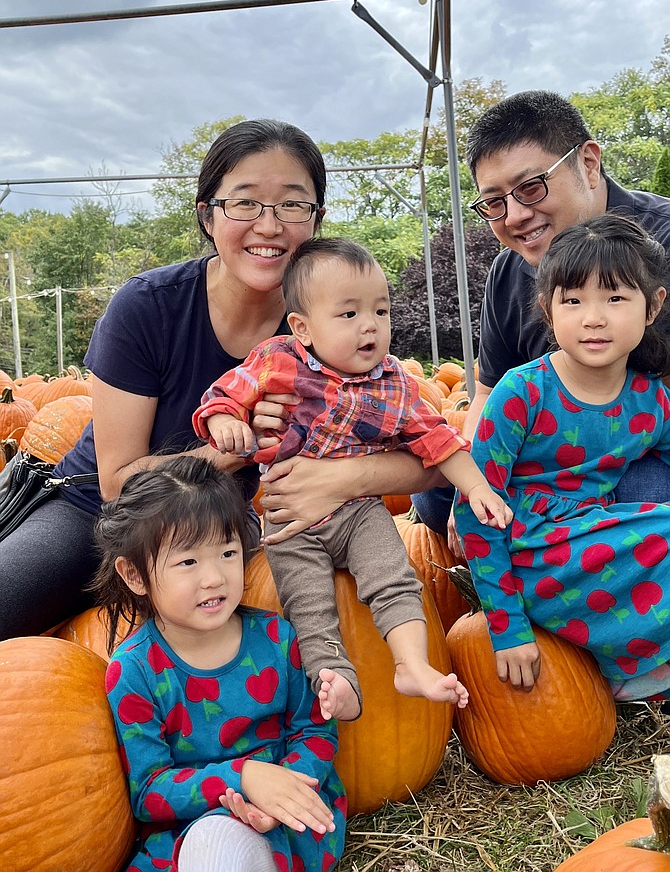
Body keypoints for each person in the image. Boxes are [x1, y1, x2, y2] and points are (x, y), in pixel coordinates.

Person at [0, 117, 441, 641]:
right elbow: (119, 481)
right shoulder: (147, 309)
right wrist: (236, 448)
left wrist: (344, 480)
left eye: (293, 204)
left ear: (316, 219)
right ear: (208, 216)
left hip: (223, 528)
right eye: (245, 202)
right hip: (101, 515)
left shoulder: (329, 325)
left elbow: (432, 458)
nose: (270, 225)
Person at [193, 237, 511, 721]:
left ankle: (411, 665)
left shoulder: (396, 384)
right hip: (288, 520)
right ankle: (333, 677)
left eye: (380, 312)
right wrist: (224, 423)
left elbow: (440, 440)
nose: (370, 326)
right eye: (349, 315)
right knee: (308, 602)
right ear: (302, 328)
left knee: (394, 578)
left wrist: (477, 488)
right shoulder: (278, 360)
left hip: (359, 512)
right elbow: (224, 396)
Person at [411, 89, 670, 544]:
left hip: (628, 449)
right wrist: (475, 483)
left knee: (640, 489)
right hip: (540, 448)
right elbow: (489, 390)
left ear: (588, 164)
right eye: (494, 202)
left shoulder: (658, 245)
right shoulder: (508, 271)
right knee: (433, 495)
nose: (514, 216)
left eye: (531, 188)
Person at [453, 213, 670, 701]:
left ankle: (637, 664)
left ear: (653, 306)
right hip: (529, 554)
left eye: (615, 298)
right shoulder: (523, 391)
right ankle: (629, 670)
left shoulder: (650, 399)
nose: (593, 317)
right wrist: (505, 626)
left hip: (595, 539)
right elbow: (476, 508)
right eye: (573, 301)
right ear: (548, 310)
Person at [94, 455, 347, 872]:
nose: (214, 577)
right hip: (193, 820)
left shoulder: (277, 639)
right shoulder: (134, 672)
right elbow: (149, 792)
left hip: (288, 813)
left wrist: (287, 790)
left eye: (227, 553)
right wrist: (242, 778)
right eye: (188, 561)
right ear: (135, 575)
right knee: (212, 848)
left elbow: (316, 730)